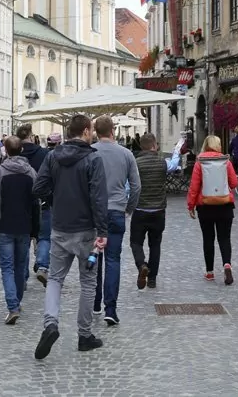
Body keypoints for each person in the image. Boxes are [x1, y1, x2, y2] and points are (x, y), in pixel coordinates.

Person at [32, 114, 108, 360]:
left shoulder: (53, 156)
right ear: (86, 131)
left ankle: (50, 324)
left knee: (55, 279)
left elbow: (38, 188)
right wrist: (103, 231)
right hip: (86, 229)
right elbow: (98, 198)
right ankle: (84, 335)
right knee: (88, 283)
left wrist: (56, 197)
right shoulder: (93, 159)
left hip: (60, 227)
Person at [91, 115, 140, 326]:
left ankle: (95, 303)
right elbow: (136, 186)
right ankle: (111, 309)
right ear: (113, 130)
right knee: (113, 259)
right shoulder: (126, 153)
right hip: (117, 210)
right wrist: (128, 208)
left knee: (94, 258)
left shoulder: (90, 152)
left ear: (95, 131)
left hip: (94, 212)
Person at [0, 137, 40, 324]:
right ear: (22, 150)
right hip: (24, 225)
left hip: (5, 224)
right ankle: (16, 301)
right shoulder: (31, 172)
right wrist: (36, 230)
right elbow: (36, 203)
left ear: (6, 151)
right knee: (20, 265)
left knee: (7, 267)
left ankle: (12, 305)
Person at [188, 135, 238, 284]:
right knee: (224, 238)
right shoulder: (226, 162)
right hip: (225, 205)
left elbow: (194, 187)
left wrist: (191, 206)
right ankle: (227, 264)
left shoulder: (200, 162)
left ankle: (210, 272)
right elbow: (234, 183)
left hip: (205, 206)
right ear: (218, 145)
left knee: (208, 239)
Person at [131, 133, 168, 290]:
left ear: (141, 146)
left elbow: (132, 186)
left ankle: (141, 265)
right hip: (158, 210)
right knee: (155, 244)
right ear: (154, 145)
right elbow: (172, 167)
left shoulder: (136, 163)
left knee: (136, 242)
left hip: (140, 209)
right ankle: (152, 279)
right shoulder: (162, 162)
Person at [17, 124, 51, 284]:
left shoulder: (13, 154)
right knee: (44, 237)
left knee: (23, 239)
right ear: (32, 137)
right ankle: (43, 266)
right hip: (42, 201)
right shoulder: (44, 153)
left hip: (20, 204)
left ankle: (23, 276)